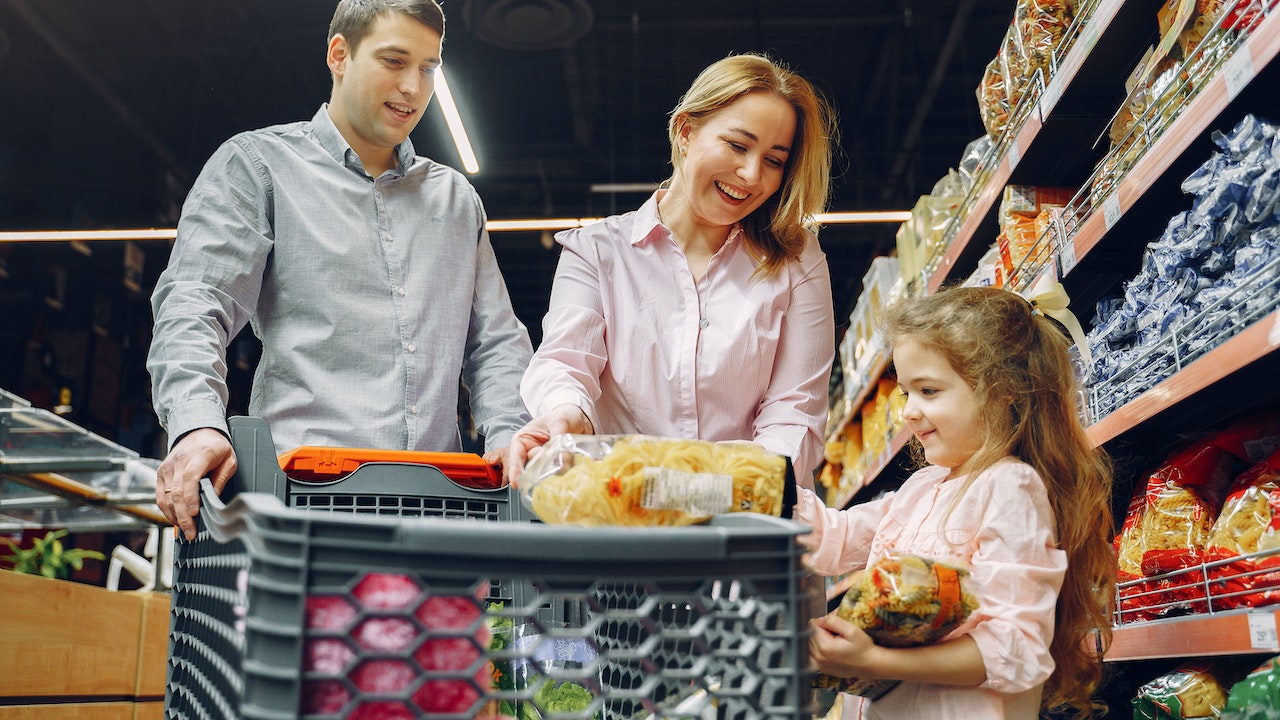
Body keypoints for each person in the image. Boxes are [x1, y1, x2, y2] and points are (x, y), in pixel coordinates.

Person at [147, 0, 533, 540]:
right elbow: (194, 303)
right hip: (299, 507)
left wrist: (510, 436)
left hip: (439, 512)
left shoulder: (454, 200)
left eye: (427, 68)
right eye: (394, 61)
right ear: (339, 55)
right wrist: (196, 424)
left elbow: (494, 342)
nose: (413, 88)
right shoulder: (259, 168)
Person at [505, 53, 838, 490]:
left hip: (745, 523)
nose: (752, 174)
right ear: (686, 131)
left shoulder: (797, 260)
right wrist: (566, 414)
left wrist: (716, 490)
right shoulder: (597, 252)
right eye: (738, 145)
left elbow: (795, 412)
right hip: (623, 512)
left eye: (774, 160)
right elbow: (566, 361)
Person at [797, 285, 1115, 719]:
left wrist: (874, 662)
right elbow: (838, 538)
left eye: (928, 391)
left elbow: (1015, 646)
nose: (907, 411)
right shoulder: (921, 489)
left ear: (1003, 392)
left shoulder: (1010, 487)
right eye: (906, 392)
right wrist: (754, 488)